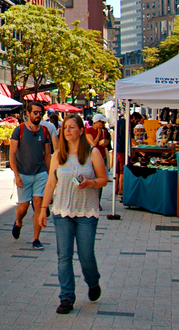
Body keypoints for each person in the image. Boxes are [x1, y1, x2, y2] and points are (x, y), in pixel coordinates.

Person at [37, 114, 109, 314]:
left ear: (80, 130)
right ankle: (66, 297)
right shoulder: (58, 155)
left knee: (86, 255)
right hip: (62, 210)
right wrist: (43, 209)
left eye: (71, 127)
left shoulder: (92, 153)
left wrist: (90, 183)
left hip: (86, 211)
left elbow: (104, 179)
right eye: (65, 127)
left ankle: (93, 282)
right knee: (64, 256)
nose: (67, 131)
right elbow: (51, 183)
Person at [9, 102, 53, 250]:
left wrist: (51, 174)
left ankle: (36, 239)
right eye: (35, 112)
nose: (38, 115)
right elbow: (12, 154)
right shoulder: (19, 130)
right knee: (24, 207)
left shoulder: (45, 131)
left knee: (38, 203)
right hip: (23, 173)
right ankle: (19, 222)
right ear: (28, 113)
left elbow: (47, 155)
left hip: (40, 173)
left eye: (40, 112)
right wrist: (16, 175)